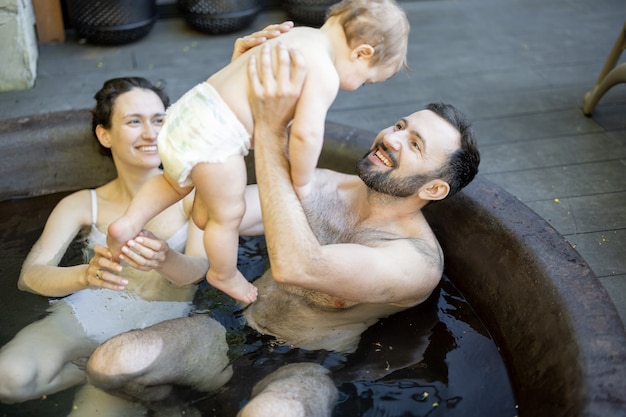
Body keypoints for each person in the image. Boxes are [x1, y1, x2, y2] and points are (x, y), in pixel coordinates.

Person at [86, 41, 480, 415]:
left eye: (414, 144)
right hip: (233, 328)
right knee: (110, 363)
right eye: (399, 125)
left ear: (434, 188)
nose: (390, 138)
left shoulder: (415, 261)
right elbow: (206, 213)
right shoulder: (322, 186)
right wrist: (232, 102)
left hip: (308, 363)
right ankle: (179, 410)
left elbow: (300, 267)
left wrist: (272, 131)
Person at [0, 23, 294, 415]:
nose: (150, 133)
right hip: (81, 317)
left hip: (149, 335)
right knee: (7, 379)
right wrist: (83, 276)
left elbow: (201, 269)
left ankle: (102, 375)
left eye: (159, 119)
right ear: (104, 135)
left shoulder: (194, 192)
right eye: (133, 121)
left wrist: (165, 260)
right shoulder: (81, 204)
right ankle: (88, 371)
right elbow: (30, 275)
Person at [106, 0, 411, 305]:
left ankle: (128, 223)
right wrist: (302, 181)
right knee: (227, 215)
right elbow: (307, 134)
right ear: (362, 53)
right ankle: (223, 274)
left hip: (187, 111)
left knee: (173, 182)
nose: (359, 86)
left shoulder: (294, 36)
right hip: (216, 134)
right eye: (367, 79)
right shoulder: (324, 70)